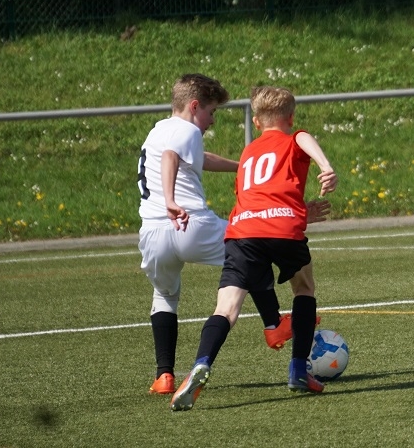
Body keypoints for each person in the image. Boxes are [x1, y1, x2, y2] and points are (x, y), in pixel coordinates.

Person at [138, 74, 326, 396]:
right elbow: (172, 156)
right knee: (257, 248)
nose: (211, 121)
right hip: (189, 222)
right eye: (211, 112)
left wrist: (244, 165)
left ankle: (165, 375)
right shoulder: (187, 130)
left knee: (168, 297)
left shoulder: (158, 130)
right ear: (194, 106)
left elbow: (194, 159)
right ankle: (275, 327)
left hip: (152, 231)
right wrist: (171, 200)